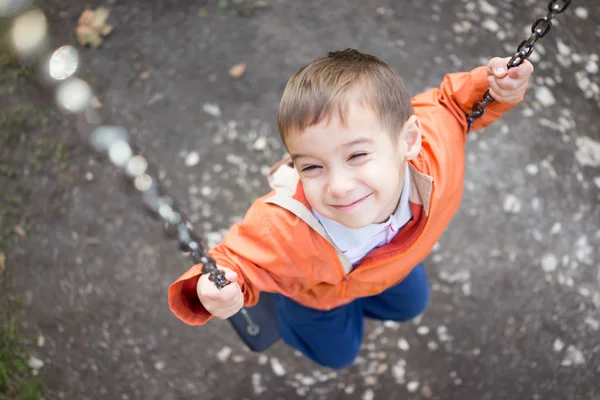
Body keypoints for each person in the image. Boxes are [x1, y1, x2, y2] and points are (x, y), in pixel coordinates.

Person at [168, 49, 533, 369]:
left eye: (357, 155)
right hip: (318, 296)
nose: (339, 186)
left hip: (394, 263)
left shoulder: (435, 148)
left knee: (411, 305)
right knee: (338, 355)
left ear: (409, 140)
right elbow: (235, 260)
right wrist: (212, 289)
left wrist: (495, 85)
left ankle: (357, 300)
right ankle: (285, 307)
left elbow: (453, 104)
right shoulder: (285, 228)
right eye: (311, 166)